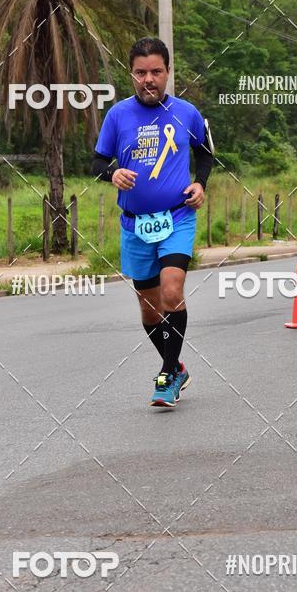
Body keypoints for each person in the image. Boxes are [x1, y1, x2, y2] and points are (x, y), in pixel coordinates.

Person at [91, 36, 214, 407]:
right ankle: (175, 365)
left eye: (156, 72)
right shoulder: (117, 116)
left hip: (177, 218)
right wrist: (112, 174)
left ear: (167, 73)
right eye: (141, 72)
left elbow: (205, 155)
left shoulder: (187, 112)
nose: (149, 79)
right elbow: (97, 164)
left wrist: (199, 184)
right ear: (131, 75)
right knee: (149, 307)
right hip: (134, 225)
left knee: (172, 291)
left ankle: (166, 374)